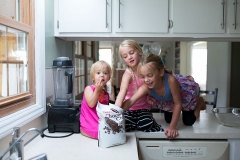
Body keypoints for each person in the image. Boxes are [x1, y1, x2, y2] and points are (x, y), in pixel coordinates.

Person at [122, 53, 205, 139]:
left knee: (188, 122)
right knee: (168, 120)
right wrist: (116, 112)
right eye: (142, 77)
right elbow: (131, 101)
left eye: (150, 75)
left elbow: (178, 104)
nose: (146, 80)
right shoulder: (145, 87)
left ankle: (199, 102)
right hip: (168, 101)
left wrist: (172, 127)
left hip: (184, 96)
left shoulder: (171, 81)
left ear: (161, 72)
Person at [115, 39, 164, 132]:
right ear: (123, 60)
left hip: (144, 109)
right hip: (129, 108)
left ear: (139, 52)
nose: (129, 57)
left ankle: (139, 122)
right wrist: (116, 109)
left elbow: (154, 86)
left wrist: (150, 96)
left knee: (146, 124)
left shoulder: (147, 69)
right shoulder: (127, 74)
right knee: (123, 125)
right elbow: (123, 90)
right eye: (125, 56)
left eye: (131, 53)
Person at [80, 60, 112, 139]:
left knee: (113, 130)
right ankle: (84, 130)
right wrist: (97, 90)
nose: (102, 75)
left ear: (108, 78)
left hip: (99, 120)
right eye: (98, 73)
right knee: (101, 132)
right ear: (92, 77)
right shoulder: (89, 89)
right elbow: (91, 104)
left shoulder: (106, 94)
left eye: (105, 73)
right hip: (89, 121)